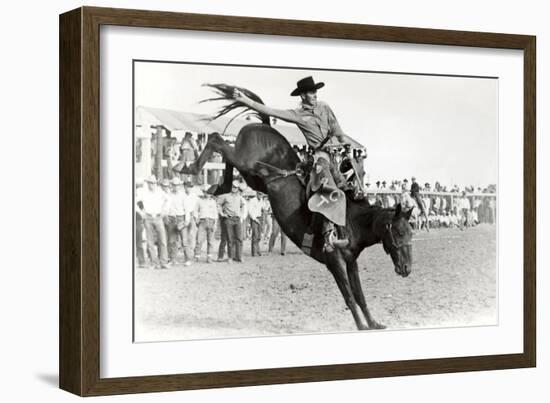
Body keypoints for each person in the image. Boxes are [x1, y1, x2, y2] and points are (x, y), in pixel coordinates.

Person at [233, 76, 351, 252]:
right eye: (311, 92)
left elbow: (337, 130)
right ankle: (328, 237)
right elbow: (270, 111)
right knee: (330, 192)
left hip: (334, 157)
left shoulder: (324, 107)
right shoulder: (298, 115)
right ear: (303, 95)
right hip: (319, 160)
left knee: (349, 189)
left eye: (315, 91)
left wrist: (345, 145)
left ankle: (350, 231)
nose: (315, 94)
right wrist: (245, 101)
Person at [137, 175, 169, 269]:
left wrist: (164, 211)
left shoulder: (160, 192)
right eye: (150, 183)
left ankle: (163, 262)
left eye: (154, 183)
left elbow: (168, 200)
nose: (152, 185)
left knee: (162, 240)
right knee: (150, 241)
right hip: (148, 217)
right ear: (147, 184)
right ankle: (154, 263)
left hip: (158, 217)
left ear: (156, 183)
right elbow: (135, 201)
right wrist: (141, 212)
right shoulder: (144, 193)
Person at [217, 181, 246, 262]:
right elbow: (218, 204)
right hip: (228, 219)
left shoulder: (240, 197)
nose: (234, 189)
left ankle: (239, 256)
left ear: (238, 189)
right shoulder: (226, 196)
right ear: (231, 187)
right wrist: (222, 213)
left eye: (236, 187)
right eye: (233, 187)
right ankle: (230, 257)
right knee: (230, 239)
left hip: (237, 219)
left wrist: (241, 214)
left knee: (239, 239)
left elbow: (243, 205)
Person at [194, 188, 218, 263]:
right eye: (206, 192)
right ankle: (197, 256)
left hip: (211, 221)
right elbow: (195, 210)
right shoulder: (199, 201)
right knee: (199, 240)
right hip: (202, 221)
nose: (207, 194)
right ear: (203, 192)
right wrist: (196, 219)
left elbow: (215, 213)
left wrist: (215, 224)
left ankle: (209, 257)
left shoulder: (213, 201)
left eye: (209, 192)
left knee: (210, 241)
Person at [181, 181, 199, 266]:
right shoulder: (181, 195)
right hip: (183, 216)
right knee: (184, 237)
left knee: (192, 236)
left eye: (190, 187)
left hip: (192, 216)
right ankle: (187, 257)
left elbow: (196, 207)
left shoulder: (194, 196)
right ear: (184, 186)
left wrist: (195, 217)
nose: (189, 188)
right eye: (187, 186)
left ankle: (193, 255)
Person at [247, 191, 264, 257]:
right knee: (255, 235)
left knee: (259, 236)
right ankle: (254, 252)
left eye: (262, 194)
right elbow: (250, 211)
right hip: (254, 218)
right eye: (260, 194)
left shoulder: (261, 200)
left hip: (260, 218)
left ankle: (258, 250)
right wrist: (254, 219)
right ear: (257, 194)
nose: (261, 195)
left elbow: (263, 208)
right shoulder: (252, 200)